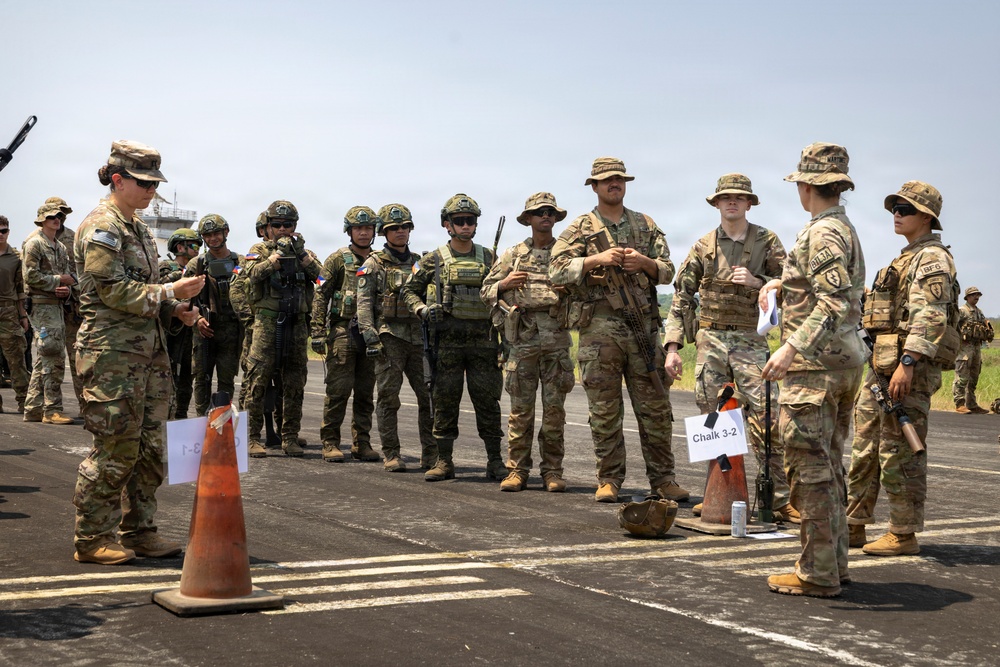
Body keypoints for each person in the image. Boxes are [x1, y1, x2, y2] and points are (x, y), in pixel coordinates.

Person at [72, 140, 204, 565]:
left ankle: (140, 530)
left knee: (152, 448)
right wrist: (168, 290)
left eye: (154, 183)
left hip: (148, 353)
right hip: (111, 356)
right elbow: (111, 291)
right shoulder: (102, 226)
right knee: (116, 447)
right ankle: (92, 538)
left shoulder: (140, 228)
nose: (151, 191)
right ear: (117, 179)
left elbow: (144, 294)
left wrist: (175, 309)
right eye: (143, 183)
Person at [759, 142, 866, 598]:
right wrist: (784, 284)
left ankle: (818, 574)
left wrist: (791, 348)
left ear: (806, 186)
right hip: (841, 365)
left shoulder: (821, 233)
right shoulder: (840, 228)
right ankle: (832, 564)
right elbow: (826, 289)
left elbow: (835, 301)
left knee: (811, 472)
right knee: (829, 466)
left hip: (814, 369)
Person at [549, 157, 687, 503]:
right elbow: (556, 270)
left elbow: (670, 271)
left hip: (642, 328)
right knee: (604, 410)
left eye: (619, 179)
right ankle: (609, 478)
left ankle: (664, 480)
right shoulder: (580, 227)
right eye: (607, 180)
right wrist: (597, 259)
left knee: (655, 407)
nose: (615, 184)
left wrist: (645, 263)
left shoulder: (645, 224)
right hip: (599, 332)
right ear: (594, 186)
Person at [663, 174, 796, 521]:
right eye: (725, 198)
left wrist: (761, 284)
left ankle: (780, 497)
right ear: (717, 204)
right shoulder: (703, 246)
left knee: (767, 417)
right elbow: (682, 298)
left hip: (751, 340)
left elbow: (794, 287)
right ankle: (718, 492)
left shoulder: (768, 242)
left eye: (739, 197)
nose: (732, 202)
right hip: (711, 339)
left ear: (749, 203)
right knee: (715, 420)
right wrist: (673, 347)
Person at [846, 181, 959, 557]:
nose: (897, 213)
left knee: (899, 453)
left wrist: (908, 363)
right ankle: (854, 524)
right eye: (894, 207)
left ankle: (903, 532)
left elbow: (931, 315)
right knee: (864, 448)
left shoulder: (931, 259)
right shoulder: (904, 259)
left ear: (927, 217)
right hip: (880, 367)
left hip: (905, 370)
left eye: (905, 209)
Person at [400, 193, 505, 482]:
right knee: (445, 402)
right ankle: (444, 461)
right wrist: (423, 309)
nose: (466, 226)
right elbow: (408, 291)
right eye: (459, 221)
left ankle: (495, 461)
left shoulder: (490, 257)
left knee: (488, 403)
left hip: (484, 343)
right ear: (447, 224)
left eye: (470, 220)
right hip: (446, 343)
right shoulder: (432, 259)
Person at [482, 192, 574, 492]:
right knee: (520, 410)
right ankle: (517, 470)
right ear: (529, 219)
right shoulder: (513, 254)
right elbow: (486, 291)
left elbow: (586, 292)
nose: (545, 216)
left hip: (556, 338)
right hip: (522, 339)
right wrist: (504, 284)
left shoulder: (567, 254)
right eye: (539, 212)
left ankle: (552, 471)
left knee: (554, 411)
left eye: (550, 212)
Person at [356, 203, 436, 472]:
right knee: (389, 398)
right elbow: (364, 304)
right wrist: (371, 338)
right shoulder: (374, 264)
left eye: (404, 227)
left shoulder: (419, 263)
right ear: (384, 232)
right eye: (394, 228)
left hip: (418, 339)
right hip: (389, 338)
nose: (400, 232)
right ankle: (391, 453)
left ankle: (431, 454)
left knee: (428, 398)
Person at [244, 200, 320, 457]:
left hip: (297, 324)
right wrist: (273, 261)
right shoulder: (259, 249)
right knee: (258, 380)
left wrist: (302, 256)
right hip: (267, 323)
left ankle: (289, 436)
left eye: (288, 225)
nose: (283, 229)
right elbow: (250, 274)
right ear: (268, 227)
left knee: (294, 382)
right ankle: (252, 437)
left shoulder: (304, 252)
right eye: (277, 225)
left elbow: (321, 279)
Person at [310, 206, 379, 463]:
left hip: (371, 334)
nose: (363, 233)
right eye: (358, 228)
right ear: (349, 231)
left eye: (368, 228)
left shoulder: (380, 259)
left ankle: (362, 443)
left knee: (365, 392)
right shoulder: (337, 259)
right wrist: (317, 332)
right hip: (342, 331)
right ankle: (330, 442)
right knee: (338, 390)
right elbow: (320, 295)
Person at [25, 197, 85, 414]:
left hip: (68, 306)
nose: (58, 218)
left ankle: (33, 408)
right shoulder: (34, 242)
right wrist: (57, 283)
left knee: (61, 357)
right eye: (52, 215)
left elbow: (76, 273)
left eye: (61, 214)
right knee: (51, 355)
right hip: (44, 306)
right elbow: (28, 277)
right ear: (42, 219)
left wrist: (70, 291)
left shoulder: (67, 241)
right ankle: (50, 409)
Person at [186, 214, 244, 416]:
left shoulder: (240, 262)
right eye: (208, 235)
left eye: (216, 233)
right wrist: (197, 320)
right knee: (201, 379)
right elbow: (184, 298)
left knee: (227, 381)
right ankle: (202, 423)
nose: (213, 239)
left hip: (231, 330)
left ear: (225, 232)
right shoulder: (197, 264)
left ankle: (222, 423)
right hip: (204, 330)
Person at [159, 227, 201, 419]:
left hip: (191, 331)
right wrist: (184, 277)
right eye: (193, 245)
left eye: (199, 245)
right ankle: (167, 414)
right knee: (168, 374)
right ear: (179, 247)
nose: (197, 249)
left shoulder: (200, 268)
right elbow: (161, 289)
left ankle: (181, 414)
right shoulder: (166, 267)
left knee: (187, 374)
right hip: (171, 330)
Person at [0, 214, 30, 413]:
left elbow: (20, 288)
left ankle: (24, 402)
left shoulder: (16, 257)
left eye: (3, 231)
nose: (0, 234)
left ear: (8, 232)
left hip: (8, 310)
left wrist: (23, 315)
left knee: (16, 358)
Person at [953, 286, 992, 414]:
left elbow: (984, 325)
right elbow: (953, 325)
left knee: (974, 377)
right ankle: (959, 404)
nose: (976, 297)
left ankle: (972, 404)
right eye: (974, 295)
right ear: (967, 297)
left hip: (976, 347)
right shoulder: (962, 311)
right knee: (962, 376)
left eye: (978, 295)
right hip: (964, 347)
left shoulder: (978, 312)